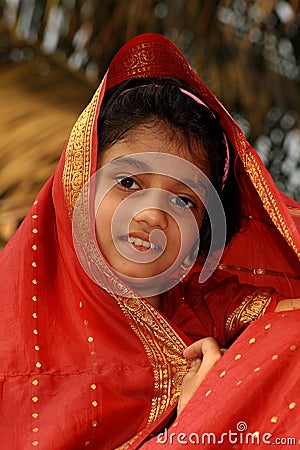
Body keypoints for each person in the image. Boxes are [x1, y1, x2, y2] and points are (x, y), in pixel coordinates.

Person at [0, 33, 300, 450]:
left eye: (184, 200)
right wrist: (199, 421)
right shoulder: (9, 344)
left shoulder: (206, 309)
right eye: (127, 182)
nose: (153, 215)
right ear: (76, 187)